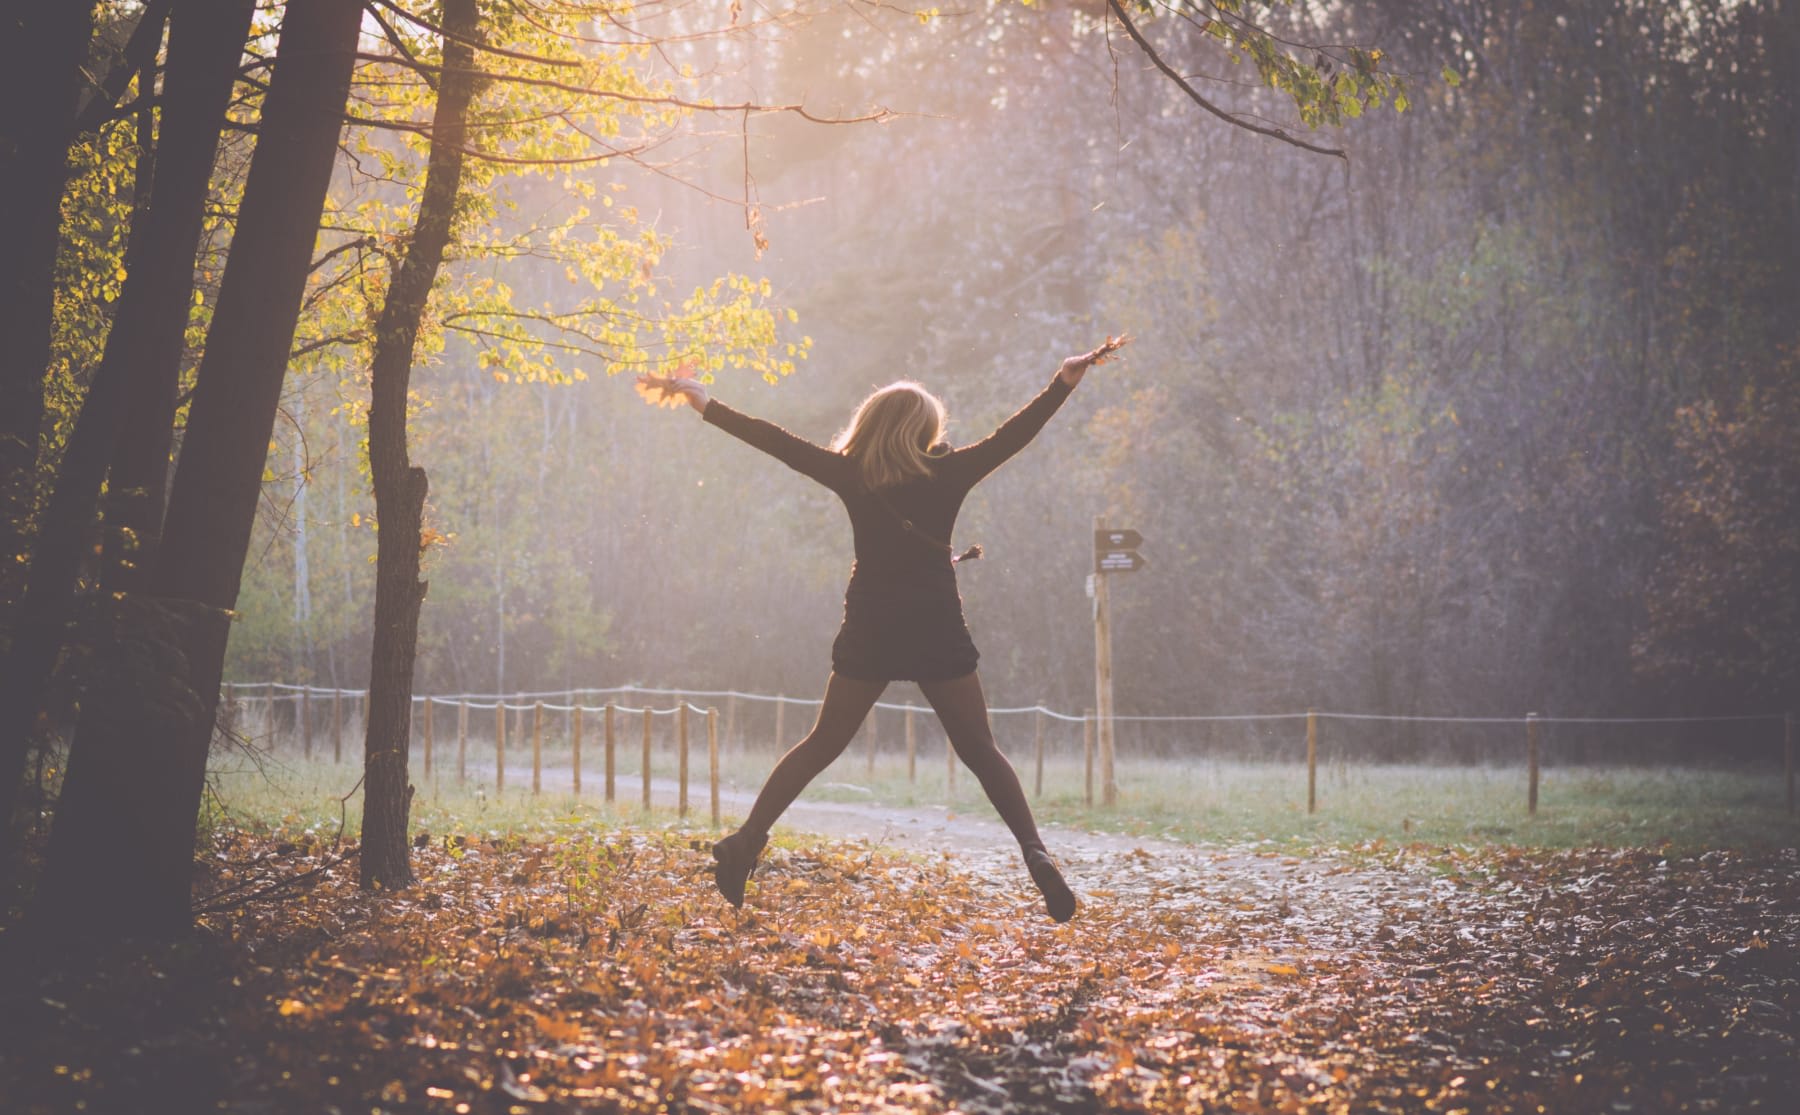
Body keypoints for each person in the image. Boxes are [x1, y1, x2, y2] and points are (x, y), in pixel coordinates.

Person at [638, 337, 1125, 923]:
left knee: (821, 743)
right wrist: (1061, 383)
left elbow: (777, 443)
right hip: (936, 626)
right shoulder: (951, 472)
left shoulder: (852, 473)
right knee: (980, 749)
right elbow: (1013, 437)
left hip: (871, 625)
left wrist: (707, 404)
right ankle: (1035, 852)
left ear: (871, 423)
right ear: (924, 427)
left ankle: (745, 843)